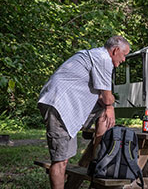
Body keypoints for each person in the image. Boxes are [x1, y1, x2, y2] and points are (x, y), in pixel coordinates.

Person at [37, 36, 130, 189]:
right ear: (115, 50)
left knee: (102, 112)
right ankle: (98, 162)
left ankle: (98, 161)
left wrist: (108, 106)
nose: (124, 59)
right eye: (124, 54)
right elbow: (107, 97)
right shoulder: (103, 59)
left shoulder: (96, 56)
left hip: (66, 105)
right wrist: (110, 106)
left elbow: (102, 98)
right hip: (59, 104)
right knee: (60, 160)